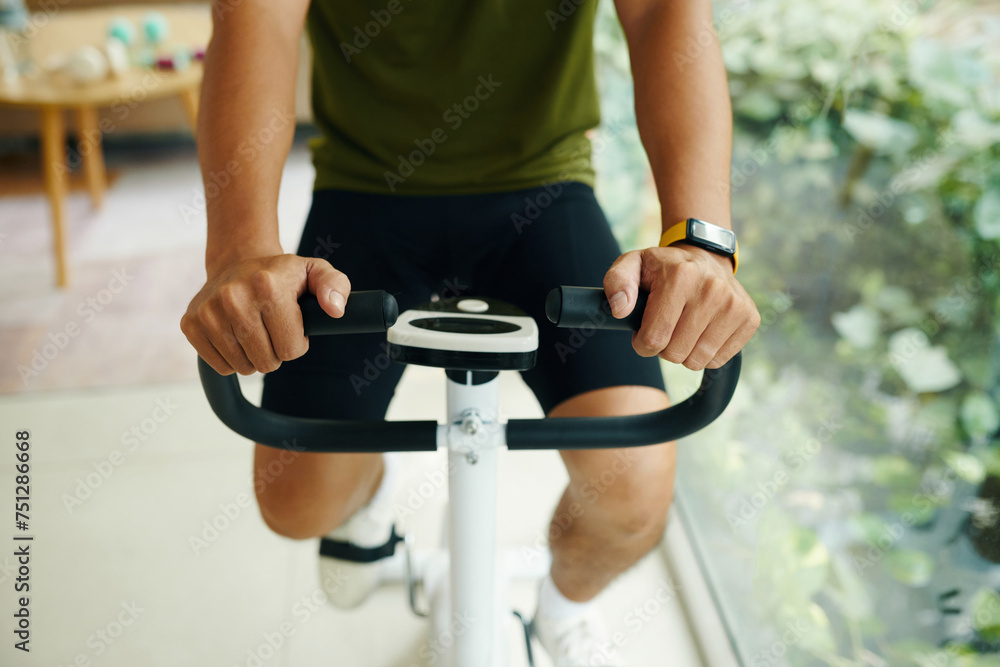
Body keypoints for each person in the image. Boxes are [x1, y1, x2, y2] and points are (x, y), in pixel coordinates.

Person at [180, 0, 760, 662]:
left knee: (635, 487)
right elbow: (256, 16)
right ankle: (370, 489)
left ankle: (561, 607)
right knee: (293, 502)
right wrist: (239, 250)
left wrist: (701, 242)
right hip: (367, 190)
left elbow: (662, 11)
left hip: (544, 189)